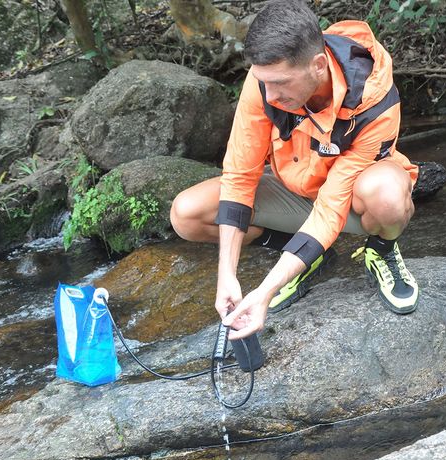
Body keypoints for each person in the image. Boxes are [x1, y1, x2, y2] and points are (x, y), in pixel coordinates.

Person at [170, 0, 419, 341]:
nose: (269, 95)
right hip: (294, 188)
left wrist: (266, 289)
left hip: (350, 202)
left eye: (281, 83)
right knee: (187, 213)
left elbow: (331, 207)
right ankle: (305, 255)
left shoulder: (374, 100)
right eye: (263, 82)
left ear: (318, 66)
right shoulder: (265, 80)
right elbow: (240, 174)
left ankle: (382, 248)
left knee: (388, 197)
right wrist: (226, 275)